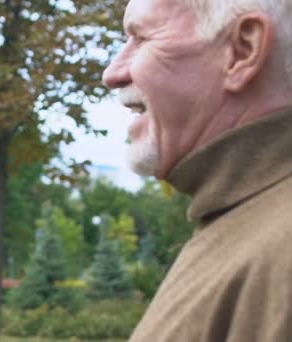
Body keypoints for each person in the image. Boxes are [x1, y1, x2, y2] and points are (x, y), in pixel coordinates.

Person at [103, 0, 292, 340]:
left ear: (242, 50)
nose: (113, 73)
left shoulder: (278, 248)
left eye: (142, 39)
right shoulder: (239, 219)